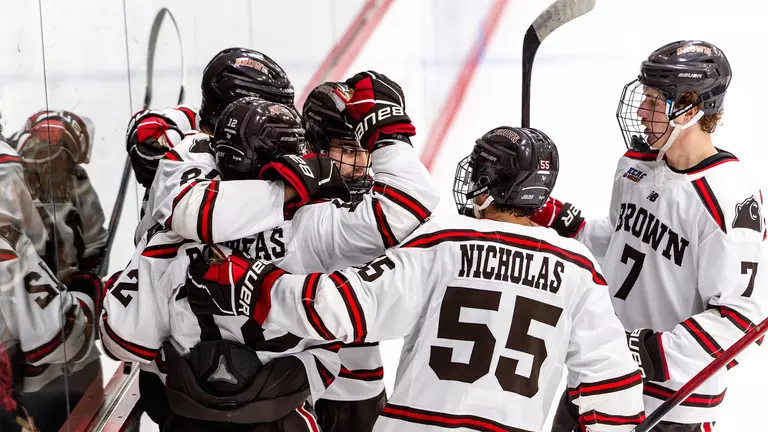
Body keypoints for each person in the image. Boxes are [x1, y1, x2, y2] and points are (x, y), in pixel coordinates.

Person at [185, 126, 646, 432]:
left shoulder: (443, 241)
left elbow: (338, 307)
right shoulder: (579, 267)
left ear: (486, 184)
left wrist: (254, 284)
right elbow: (616, 391)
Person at [101, 73, 438, 431]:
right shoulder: (315, 226)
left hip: (191, 414)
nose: (356, 162)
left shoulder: (176, 238)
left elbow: (124, 340)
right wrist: (385, 129)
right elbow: (407, 208)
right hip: (292, 410)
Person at [531, 40, 768, 431]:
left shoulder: (729, 197)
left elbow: (740, 318)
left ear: (690, 110)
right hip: (597, 380)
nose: (641, 112)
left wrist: (648, 353)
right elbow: (624, 243)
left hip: (668, 406)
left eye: (654, 103)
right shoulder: (635, 166)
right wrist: (564, 222)